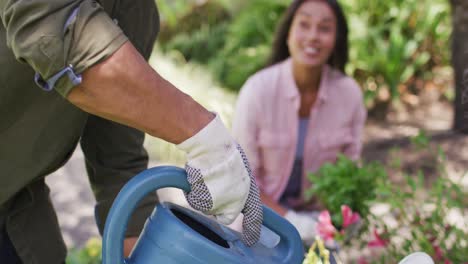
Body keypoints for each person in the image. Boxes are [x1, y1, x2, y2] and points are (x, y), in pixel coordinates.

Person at [0, 0, 262, 263]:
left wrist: (149, 253)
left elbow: (117, 159)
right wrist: (205, 138)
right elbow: (52, 26)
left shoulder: (136, 10)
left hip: (17, 211)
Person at [232, 0, 366, 245]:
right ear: (288, 33)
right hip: (259, 219)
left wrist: (345, 218)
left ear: (336, 39)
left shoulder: (350, 95)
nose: (313, 36)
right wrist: (292, 222)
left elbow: (351, 172)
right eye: (304, 24)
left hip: (319, 223)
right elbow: (242, 178)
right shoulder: (257, 90)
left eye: (324, 28)